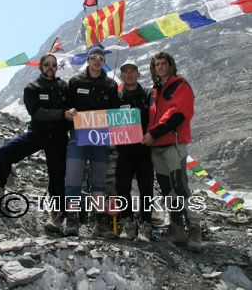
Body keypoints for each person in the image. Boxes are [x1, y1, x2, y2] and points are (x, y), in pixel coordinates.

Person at [0, 53, 73, 233]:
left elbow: (72, 110)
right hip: (37, 133)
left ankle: (57, 216)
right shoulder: (32, 87)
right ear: (41, 67)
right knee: (5, 151)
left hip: (58, 137)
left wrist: (70, 116)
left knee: (57, 177)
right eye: (47, 64)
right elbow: (36, 113)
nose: (50, 67)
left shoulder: (64, 87)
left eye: (53, 64)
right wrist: (62, 114)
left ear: (57, 67)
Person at [142, 51, 202, 252]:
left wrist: (154, 133)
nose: (159, 67)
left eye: (163, 63)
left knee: (182, 186)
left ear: (170, 65)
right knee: (167, 188)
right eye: (156, 64)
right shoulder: (154, 92)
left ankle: (195, 228)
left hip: (173, 144)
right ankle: (177, 228)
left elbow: (177, 114)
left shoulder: (180, 86)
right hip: (156, 148)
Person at [64, 45, 119, 237]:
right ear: (88, 60)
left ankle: (100, 223)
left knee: (99, 181)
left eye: (101, 58)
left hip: (100, 139)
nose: (97, 60)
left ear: (104, 62)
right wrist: (69, 112)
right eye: (94, 57)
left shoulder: (111, 86)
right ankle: (71, 220)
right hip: (77, 137)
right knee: (73, 179)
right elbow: (66, 105)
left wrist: (114, 136)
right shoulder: (75, 81)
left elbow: (115, 114)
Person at [116, 60, 154, 242]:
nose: (129, 74)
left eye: (132, 71)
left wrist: (151, 135)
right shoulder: (117, 96)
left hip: (144, 149)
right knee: (122, 187)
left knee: (146, 188)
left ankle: (146, 225)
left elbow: (155, 117)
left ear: (138, 74)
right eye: (125, 72)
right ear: (121, 76)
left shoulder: (148, 94)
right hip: (124, 151)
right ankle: (127, 223)